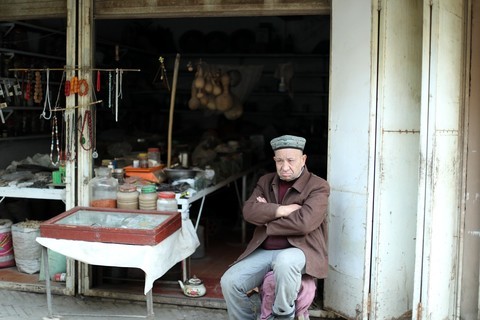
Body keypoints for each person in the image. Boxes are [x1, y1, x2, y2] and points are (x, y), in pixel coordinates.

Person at [220, 134, 330, 320]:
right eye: (279, 161)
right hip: (266, 250)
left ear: (303, 160)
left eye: (290, 160)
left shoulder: (318, 186)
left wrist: (267, 218)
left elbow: (304, 224)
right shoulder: (266, 181)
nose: (284, 166)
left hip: (300, 250)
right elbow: (249, 212)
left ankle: (282, 315)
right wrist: (283, 210)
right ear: (274, 160)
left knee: (285, 262)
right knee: (230, 282)